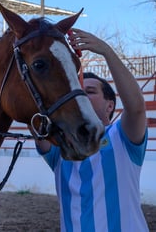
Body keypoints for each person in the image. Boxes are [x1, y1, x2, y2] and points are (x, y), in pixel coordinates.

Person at [35, 28, 149, 232]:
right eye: (78, 91)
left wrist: (106, 51)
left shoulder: (122, 137)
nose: (82, 97)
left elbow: (137, 107)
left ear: (110, 106)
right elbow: (34, 106)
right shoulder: (60, 144)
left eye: (89, 91)